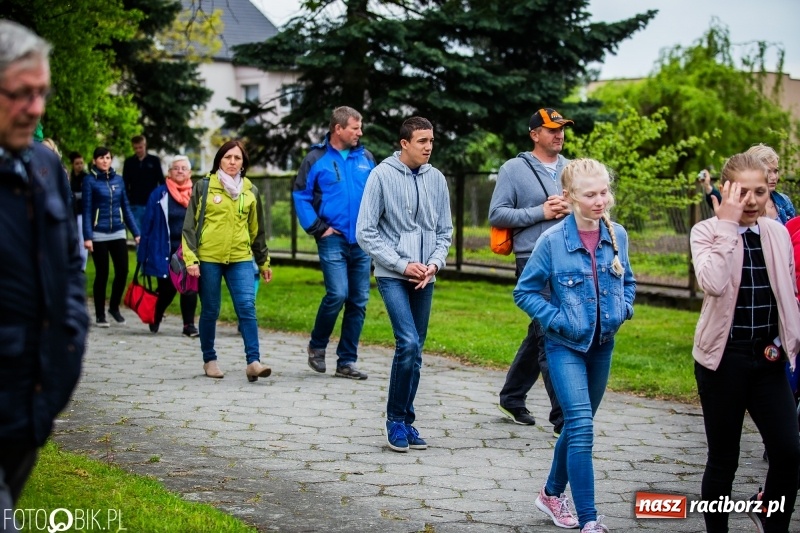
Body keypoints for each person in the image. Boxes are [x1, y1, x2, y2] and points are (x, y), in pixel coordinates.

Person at [514, 158, 635, 533]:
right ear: (568, 197)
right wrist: (557, 321)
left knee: (579, 425)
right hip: (564, 346)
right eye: (591, 195)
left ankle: (551, 494)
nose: (601, 201)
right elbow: (525, 292)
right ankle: (590, 519)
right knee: (580, 426)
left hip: (603, 344)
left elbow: (628, 281)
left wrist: (622, 310)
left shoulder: (618, 235)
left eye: (604, 192)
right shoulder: (552, 242)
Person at [0, 19, 88, 525]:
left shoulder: (42, 165)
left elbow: (69, 267)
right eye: (21, 94)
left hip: (30, 407)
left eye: (43, 93)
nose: (36, 108)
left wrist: (67, 353)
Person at [690, 152, 800, 533]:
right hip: (723, 362)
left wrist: (787, 340)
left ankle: (774, 523)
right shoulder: (706, 232)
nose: (752, 200)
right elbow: (714, 283)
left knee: (789, 452)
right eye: (743, 192)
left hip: (768, 359)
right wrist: (727, 226)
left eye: (760, 191)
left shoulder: (777, 233)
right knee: (724, 459)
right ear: (726, 190)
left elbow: (788, 290)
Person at [356, 117, 453, 452]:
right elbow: (365, 231)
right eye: (422, 141)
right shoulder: (380, 176)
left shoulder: (436, 179)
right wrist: (401, 264)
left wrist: (433, 265)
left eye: (431, 141)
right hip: (392, 274)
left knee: (417, 351)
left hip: (425, 276)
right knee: (408, 343)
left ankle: (407, 420)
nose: (428, 146)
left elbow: (445, 232)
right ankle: (394, 420)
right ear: (404, 143)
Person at [488, 107, 571, 433]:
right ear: (534, 134)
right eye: (552, 129)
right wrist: (541, 212)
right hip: (531, 260)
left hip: (566, 259)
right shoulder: (513, 169)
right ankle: (564, 418)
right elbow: (497, 215)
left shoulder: (570, 168)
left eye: (562, 129)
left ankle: (511, 396)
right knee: (550, 333)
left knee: (540, 330)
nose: (559, 134)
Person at [293, 106, 376, 380]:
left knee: (359, 300)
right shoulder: (316, 158)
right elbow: (301, 195)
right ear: (338, 128)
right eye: (355, 127)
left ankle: (346, 362)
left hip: (362, 241)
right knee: (338, 294)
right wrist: (318, 228)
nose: (360, 132)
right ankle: (317, 346)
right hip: (332, 239)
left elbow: (378, 195)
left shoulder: (366, 158)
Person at [183, 140, 273, 382]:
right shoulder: (204, 187)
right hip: (208, 258)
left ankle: (253, 362)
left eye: (237, 158)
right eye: (227, 157)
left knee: (247, 307)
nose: (232, 162)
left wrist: (263, 262)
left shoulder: (250, 192)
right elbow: (189, 227)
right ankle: (209, 360)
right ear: (219, 160)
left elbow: (257, 231)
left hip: (240, 257)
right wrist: (191, 259)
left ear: (244, 163)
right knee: (211, 309)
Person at [137, 155, 199, 337]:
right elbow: (147, 224)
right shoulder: (159, 194)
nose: (180, 171)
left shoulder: (197, 194)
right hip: (163, 248)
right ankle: (156, 314)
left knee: (189, 286)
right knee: (167, 288)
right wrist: (143, 255)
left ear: (190, 172)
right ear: (169, 172)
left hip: (187, 249)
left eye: (183, 168)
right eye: (176, 168)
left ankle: (189, 325)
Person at [83, 146, 140, 327]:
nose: (105, 161)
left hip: (118, 231)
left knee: (123, 271)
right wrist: (87, 236)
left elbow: (126, 208)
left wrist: (136, 233)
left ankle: (113, 307)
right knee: (102, 273)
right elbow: (86, 210)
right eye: (101, 158)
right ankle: (100, 314)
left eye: (107, 158)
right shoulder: (89, 181)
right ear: (94, 161)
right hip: (98, 233)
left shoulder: (119, 180)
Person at [700, 143, 795, 224]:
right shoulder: (739, 201)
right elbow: (720, 201)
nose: (774, 177)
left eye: (775, 171)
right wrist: (707, 187)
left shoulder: (784, 201)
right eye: (768, 171)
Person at [123, 134, 164, 232]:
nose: (138, 150)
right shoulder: (129, 162)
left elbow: (161, 180)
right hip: (135, 203)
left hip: (152, 202)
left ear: (145, 145)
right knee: (139, 234)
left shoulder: (154, 161)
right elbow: (125, 183)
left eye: (140, 147)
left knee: (153, 232)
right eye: (135, 148)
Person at [69, 151, 89, 271]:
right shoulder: (70, 178)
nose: (80, 166)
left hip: (82, 212)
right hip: (72, 213)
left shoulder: (86, 178)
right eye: (77, 163)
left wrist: (74, 196)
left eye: (81, 163)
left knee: (83, 240)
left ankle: (82, 266)